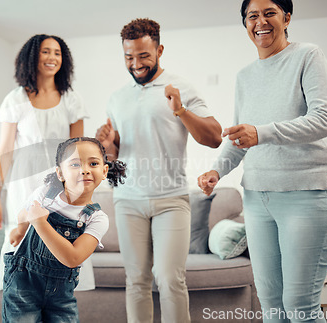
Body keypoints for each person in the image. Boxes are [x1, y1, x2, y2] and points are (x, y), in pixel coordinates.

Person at [198, 0, 327, 321]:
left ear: (287, 17)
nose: (260, 22)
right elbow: (240, 139)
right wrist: (216, 171)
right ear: (245, 23)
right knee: (271, 304)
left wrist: (261, 133)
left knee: (300, 305)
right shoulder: (245, 76)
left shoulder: (308, 55)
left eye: (269, 13)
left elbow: (325, 119)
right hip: (258, 200)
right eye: (252, 16)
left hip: (307, 193)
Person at [96, 18, 222, 323]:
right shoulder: (117, 98)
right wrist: (109, 147)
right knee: (136, 280)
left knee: (169, 278)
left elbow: (215, 137)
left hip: (171, 199)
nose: (136, 64)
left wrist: (180, 109)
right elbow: (116, 162)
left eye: (144, 56)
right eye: (129, 57)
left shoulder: (180, 88)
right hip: (127, 201)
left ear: (160, 50)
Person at [0, 34, 88, 290]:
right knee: (22, 238)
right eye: (46, 52)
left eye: (57, 52)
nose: (52, 57)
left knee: (59, 240)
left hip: (60, 183)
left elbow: (78, 151)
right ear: (33, 57)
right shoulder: (16, 98)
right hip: (23, 181)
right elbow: (5, 151)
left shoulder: (70, 99)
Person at [1, 137, 126, 322]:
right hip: (23, 285)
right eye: (75, 164)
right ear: (60, 173)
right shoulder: (45, 194)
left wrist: (41, 223)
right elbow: (25, 213)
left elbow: (72, 258)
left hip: (61, 298)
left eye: (93, 163)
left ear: (104, 170)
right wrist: (20, 230)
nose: (85, 169)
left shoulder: (96, 218)